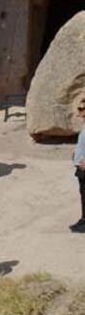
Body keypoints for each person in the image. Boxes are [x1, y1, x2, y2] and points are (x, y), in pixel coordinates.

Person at [72, 100, 85, 233]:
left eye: (82, 109)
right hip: (81, 166)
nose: (79, 111)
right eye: (79, 108)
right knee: (83, 193)